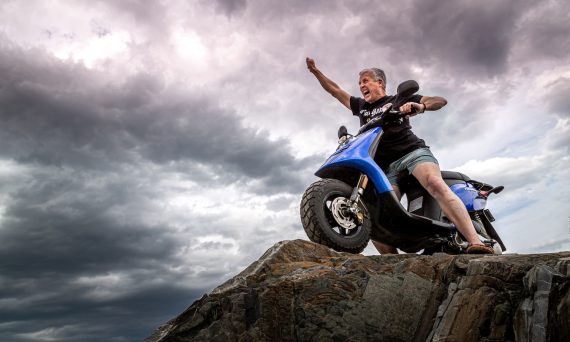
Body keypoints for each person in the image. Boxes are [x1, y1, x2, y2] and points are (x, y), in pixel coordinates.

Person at [305, 57, 494, 255]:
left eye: (366, 81)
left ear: (380, 83)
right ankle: (394, 263)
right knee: (376, 213)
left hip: (412, 153)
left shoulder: (397, 99)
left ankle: (475, 242)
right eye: (360, 83)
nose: (361, 85)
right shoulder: (362, 107)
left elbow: (439, 101)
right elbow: (335, 91)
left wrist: (420, 107)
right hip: (386, 168)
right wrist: (315, 71)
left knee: (434, 183)